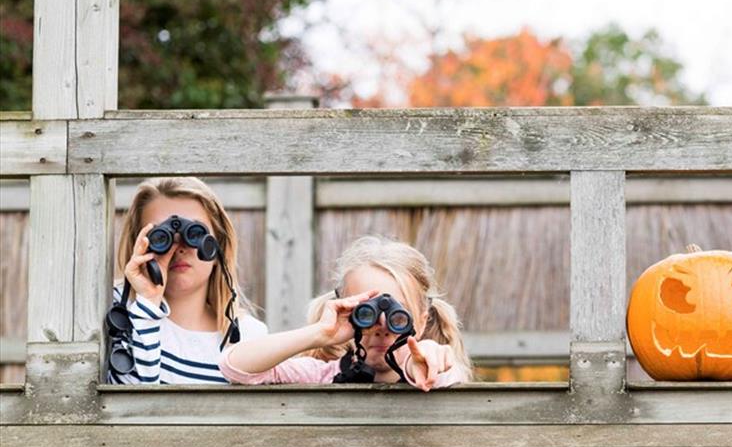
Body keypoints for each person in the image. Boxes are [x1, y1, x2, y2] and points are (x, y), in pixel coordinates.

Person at [219, 236, 472, 389]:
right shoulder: (322, 375)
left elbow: (446, 377)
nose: (382, 327)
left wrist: (419, 363)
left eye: (398, 316)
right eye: (366, 313)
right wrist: (320, 333)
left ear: (422, 318)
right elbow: (234, 366)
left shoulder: (441, 370)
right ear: (347, 312)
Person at [108, 177, 264, 384]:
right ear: (138, 245)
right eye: (161, 236)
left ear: (216, 249)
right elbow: (124, 406)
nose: (179, 248)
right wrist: (148, 302)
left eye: (195, 233)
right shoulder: (115, 311)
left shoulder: (248, 335)